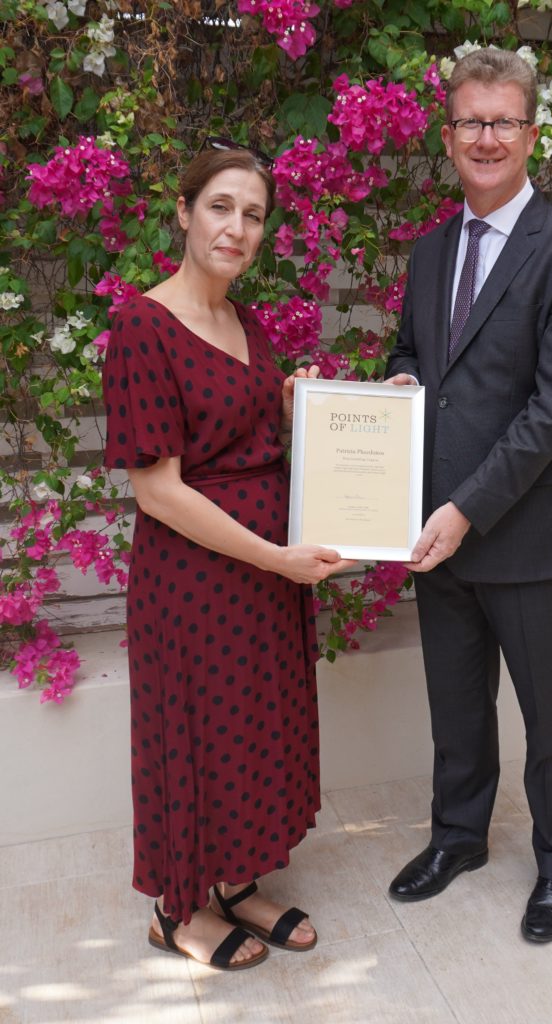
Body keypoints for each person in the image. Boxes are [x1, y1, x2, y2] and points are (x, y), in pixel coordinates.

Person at [385, 48, 552, 943]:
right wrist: (402, 387)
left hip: (523, 529)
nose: (486, 138)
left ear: (531, 135)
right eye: (470, 122)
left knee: (551, 714)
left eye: (503, 122)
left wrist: (464, 507)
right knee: (455, 702)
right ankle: (458, 838)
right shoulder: (431, 250)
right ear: (447, 137)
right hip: (435, 526)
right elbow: (415, 358)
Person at [103, 141, 353, 970]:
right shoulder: (142, 324)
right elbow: (159, 489)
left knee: (253, 732)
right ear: (182, 212)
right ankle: (179, 910)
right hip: (196, 581)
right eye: (219, 206)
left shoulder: (243, 322)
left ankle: (239, 885)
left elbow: (245, 434)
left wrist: (296, 405)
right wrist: (274, 558)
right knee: (197, 738)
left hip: (261, 577)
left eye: (252, 214)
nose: (235, 227)